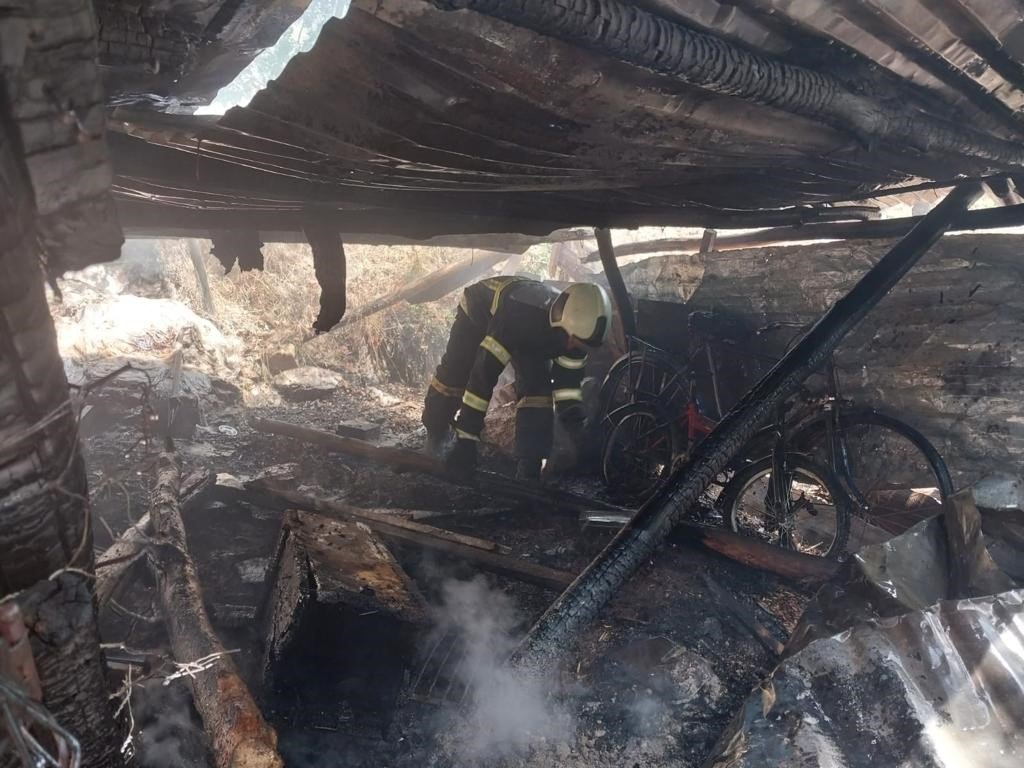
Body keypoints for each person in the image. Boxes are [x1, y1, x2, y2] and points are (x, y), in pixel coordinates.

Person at [422, 276, 612, 482]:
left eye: (580, 346)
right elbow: (482, 378)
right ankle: (436, 431)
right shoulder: (517, 319)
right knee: (455, 374)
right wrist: (466, 439)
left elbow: (567, 385)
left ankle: (530, 464)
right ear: (561, 322)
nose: (573, 348)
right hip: (478, 313)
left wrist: (574, 420)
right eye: (573, 341)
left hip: (536, 332)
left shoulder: (578, 332)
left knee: (537, 394)